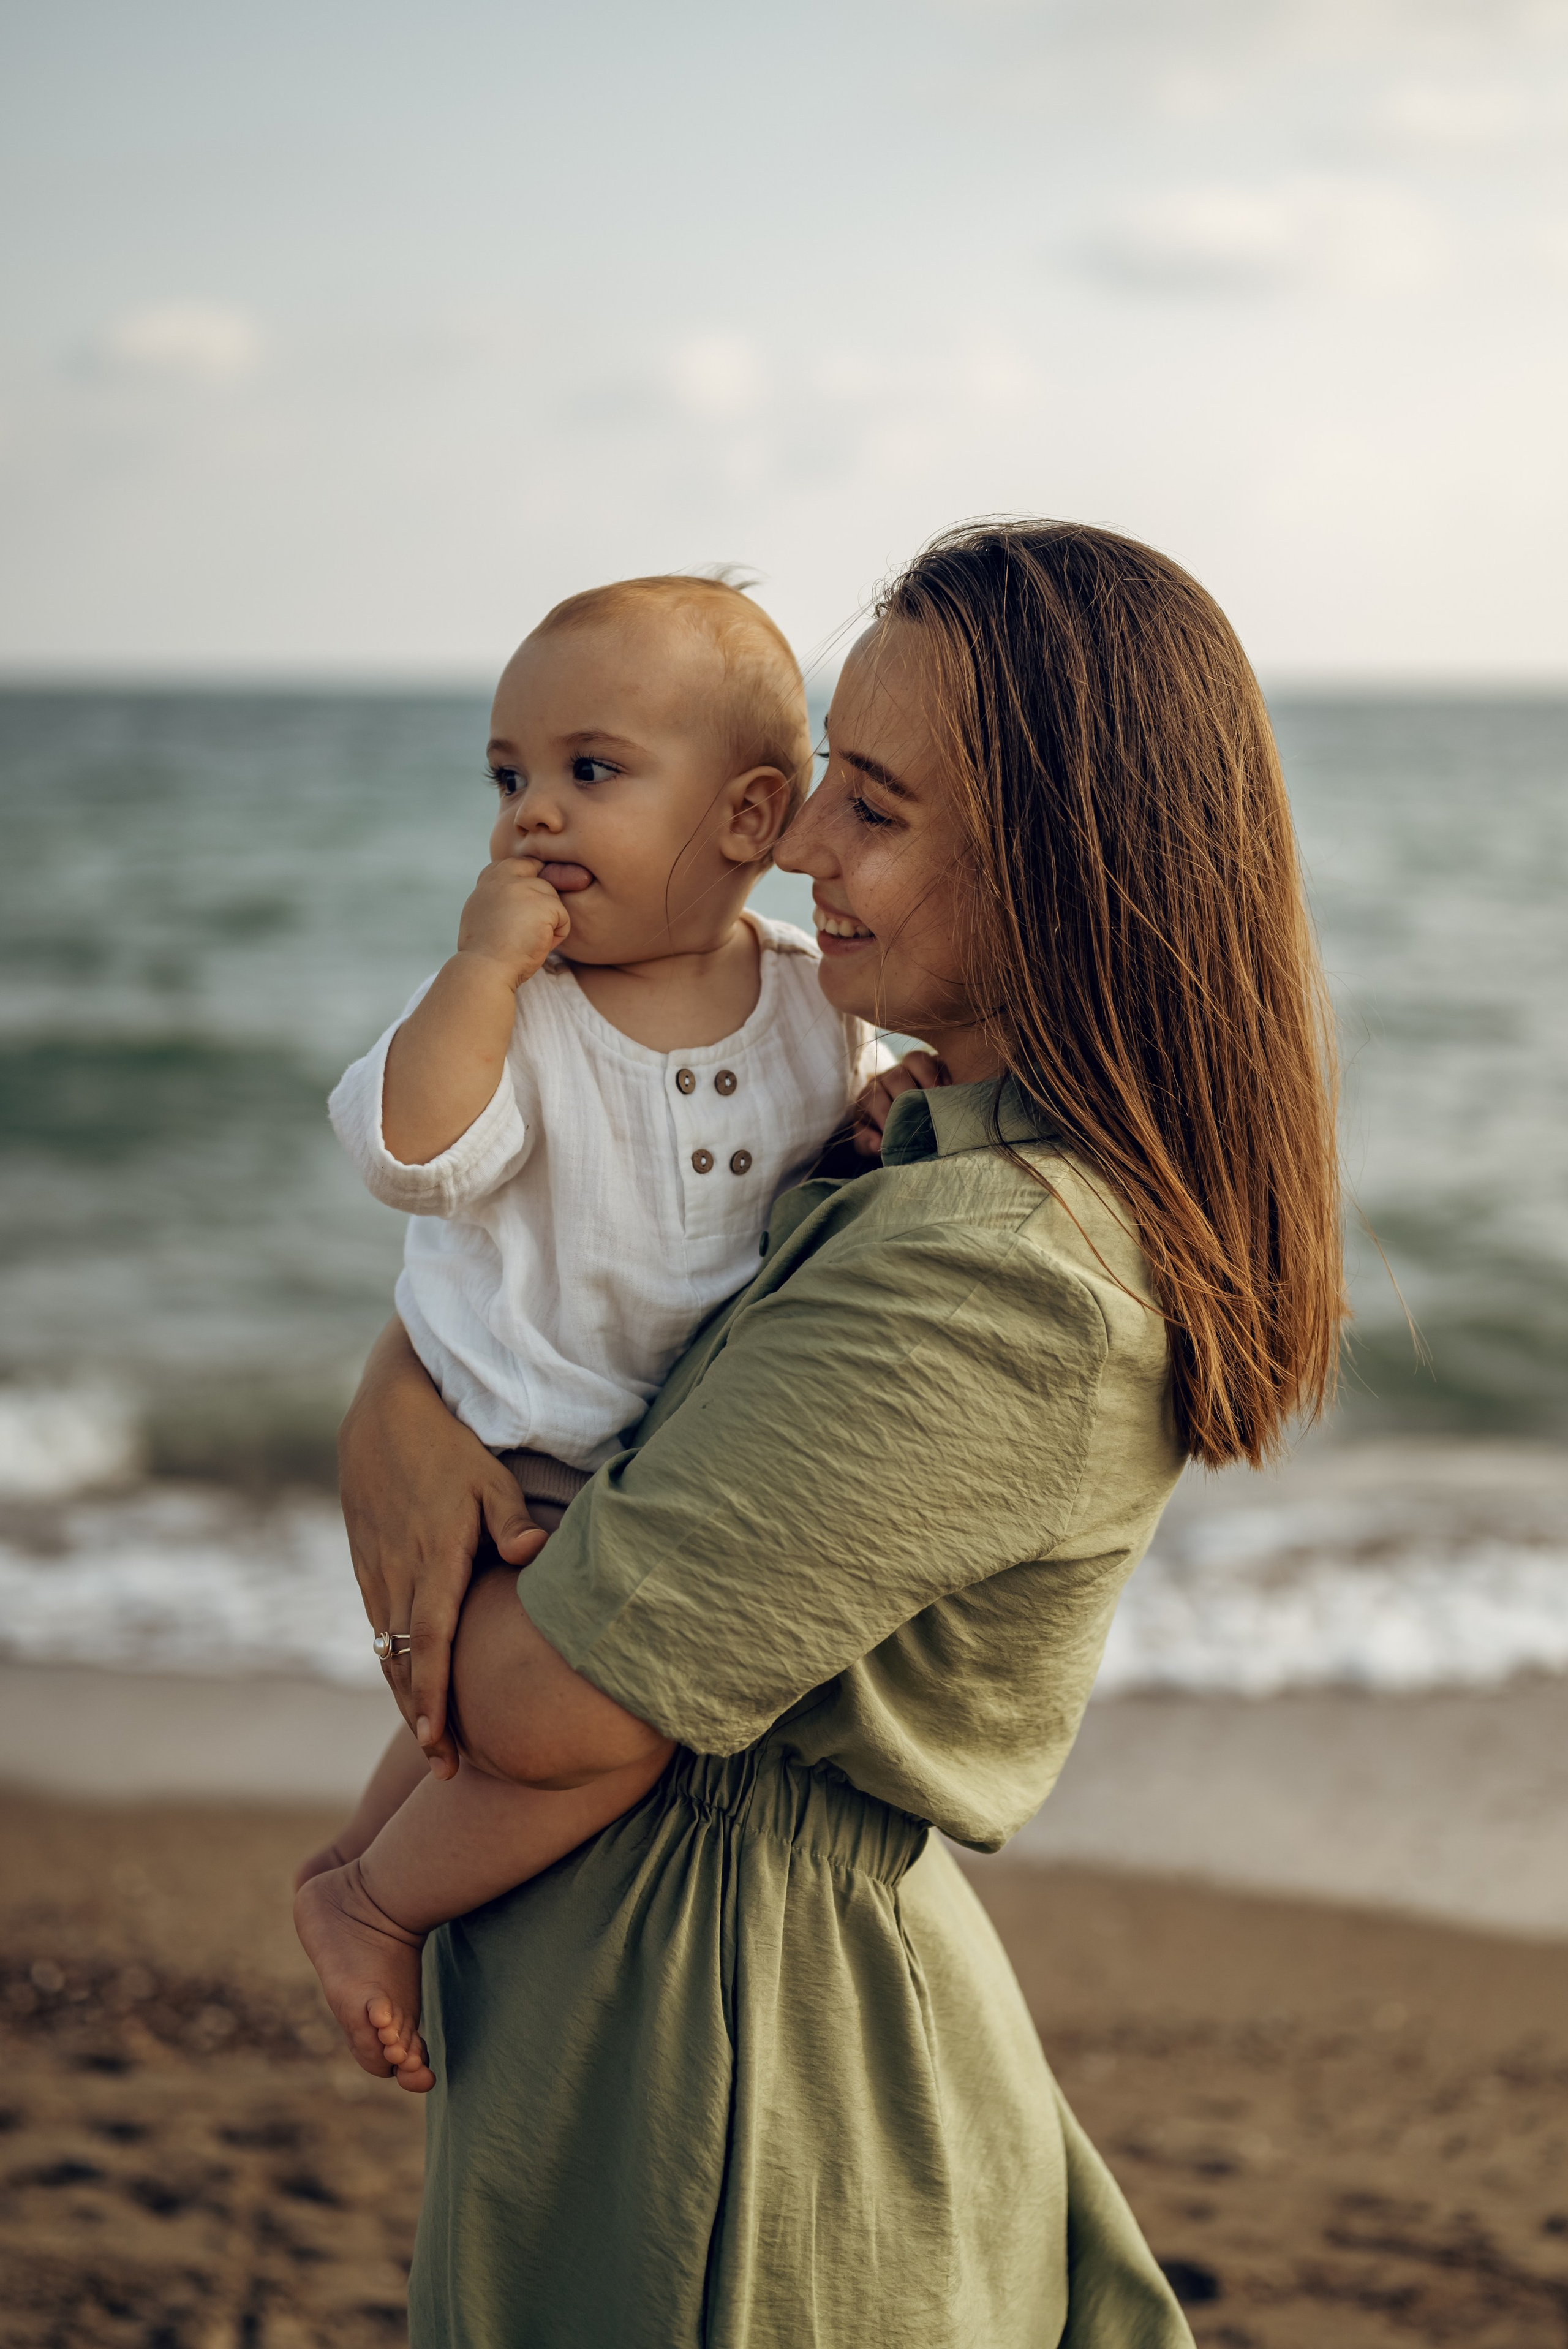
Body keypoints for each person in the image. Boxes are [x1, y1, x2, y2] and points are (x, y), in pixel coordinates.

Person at [334, 521, 1344, 2348]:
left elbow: (557, 1704)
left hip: (729, 2059)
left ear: (1059, 866)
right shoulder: (907, 1150)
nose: (795, 847)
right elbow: (587, 1314)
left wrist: (391, 1448)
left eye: (867, 806)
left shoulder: (1007, 1271)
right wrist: (406, 1402)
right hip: (672, 2008)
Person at [296, 575, 891, 2089]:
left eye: (590, 771)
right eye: (507, 778)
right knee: (585, 1735)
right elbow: (407, 1156)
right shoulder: (523, 1016)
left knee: (477, 1723)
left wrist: (889, 1114)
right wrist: (480, 974)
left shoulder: (816, 1006)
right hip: (525, 1459)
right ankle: (372, 1896)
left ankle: (350, 1874)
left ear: (753, 816)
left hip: (665, 1469)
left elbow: (848, 1148)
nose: (531, 818)